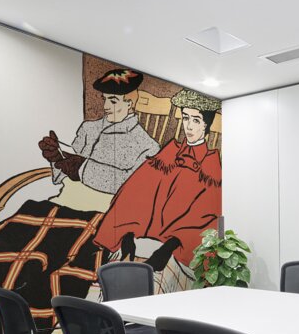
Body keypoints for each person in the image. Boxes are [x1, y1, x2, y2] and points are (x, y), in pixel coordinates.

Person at [92, 88, 222, 284]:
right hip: (144, 232)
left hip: (175, 244)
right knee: (142, 186)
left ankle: (165, 251)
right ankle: (129, 241)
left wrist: (170, 246)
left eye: (196, 120)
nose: (189, 126)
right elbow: (137, 191)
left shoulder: (210, 169)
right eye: (186, 118)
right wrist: (128, 235)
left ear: (206, 125)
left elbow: (205, 217)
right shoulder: (169, 155)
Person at [38, 68, 159, 212]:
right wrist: (57, 158)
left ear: (130, 103)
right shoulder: (88, 128)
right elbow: (65, 174)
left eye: (113, 101)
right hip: (63, 201)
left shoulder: (148, 146)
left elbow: (133, 186)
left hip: (102, 213)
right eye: (105, 99)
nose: (106, 106)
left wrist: (82, 169)